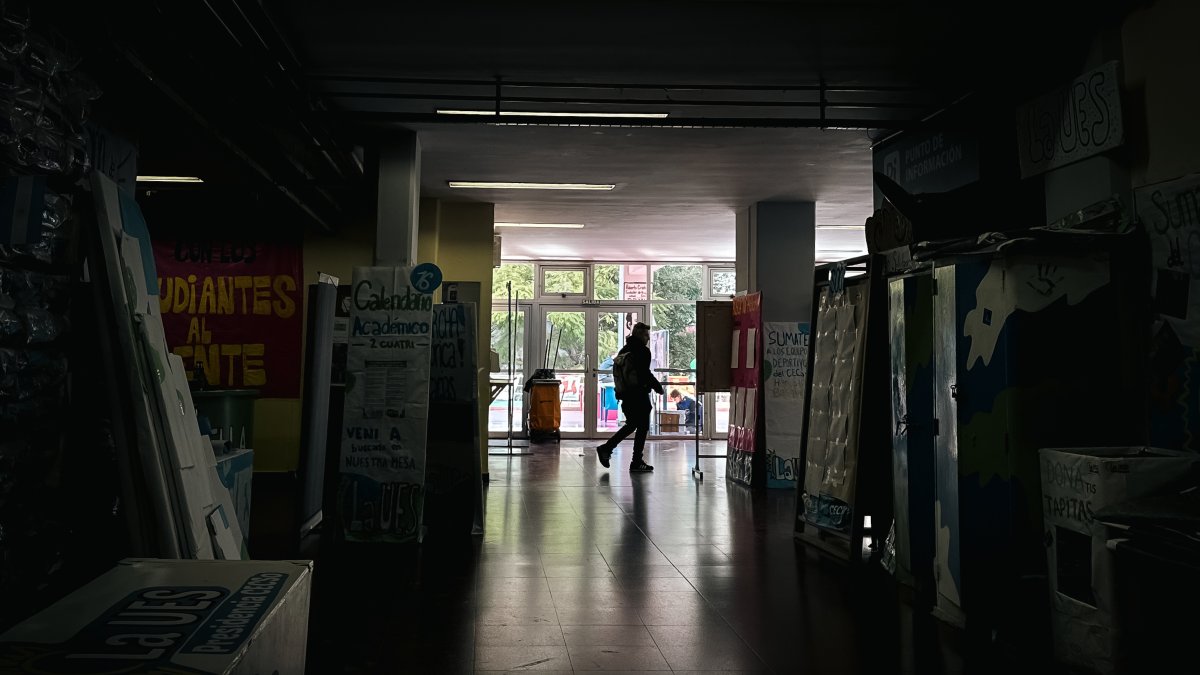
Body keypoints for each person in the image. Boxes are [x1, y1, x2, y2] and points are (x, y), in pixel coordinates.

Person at [596, 322, 661, 472]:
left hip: (626, 395)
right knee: (642, 426)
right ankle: (635, 460)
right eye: (646, 335)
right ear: (640, 335)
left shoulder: (624, 350)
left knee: (632, 424)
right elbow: (644, 373)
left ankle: (608, 449)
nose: (648, 338)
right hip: (639, 395)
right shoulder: (642, 351)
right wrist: (657, 387)